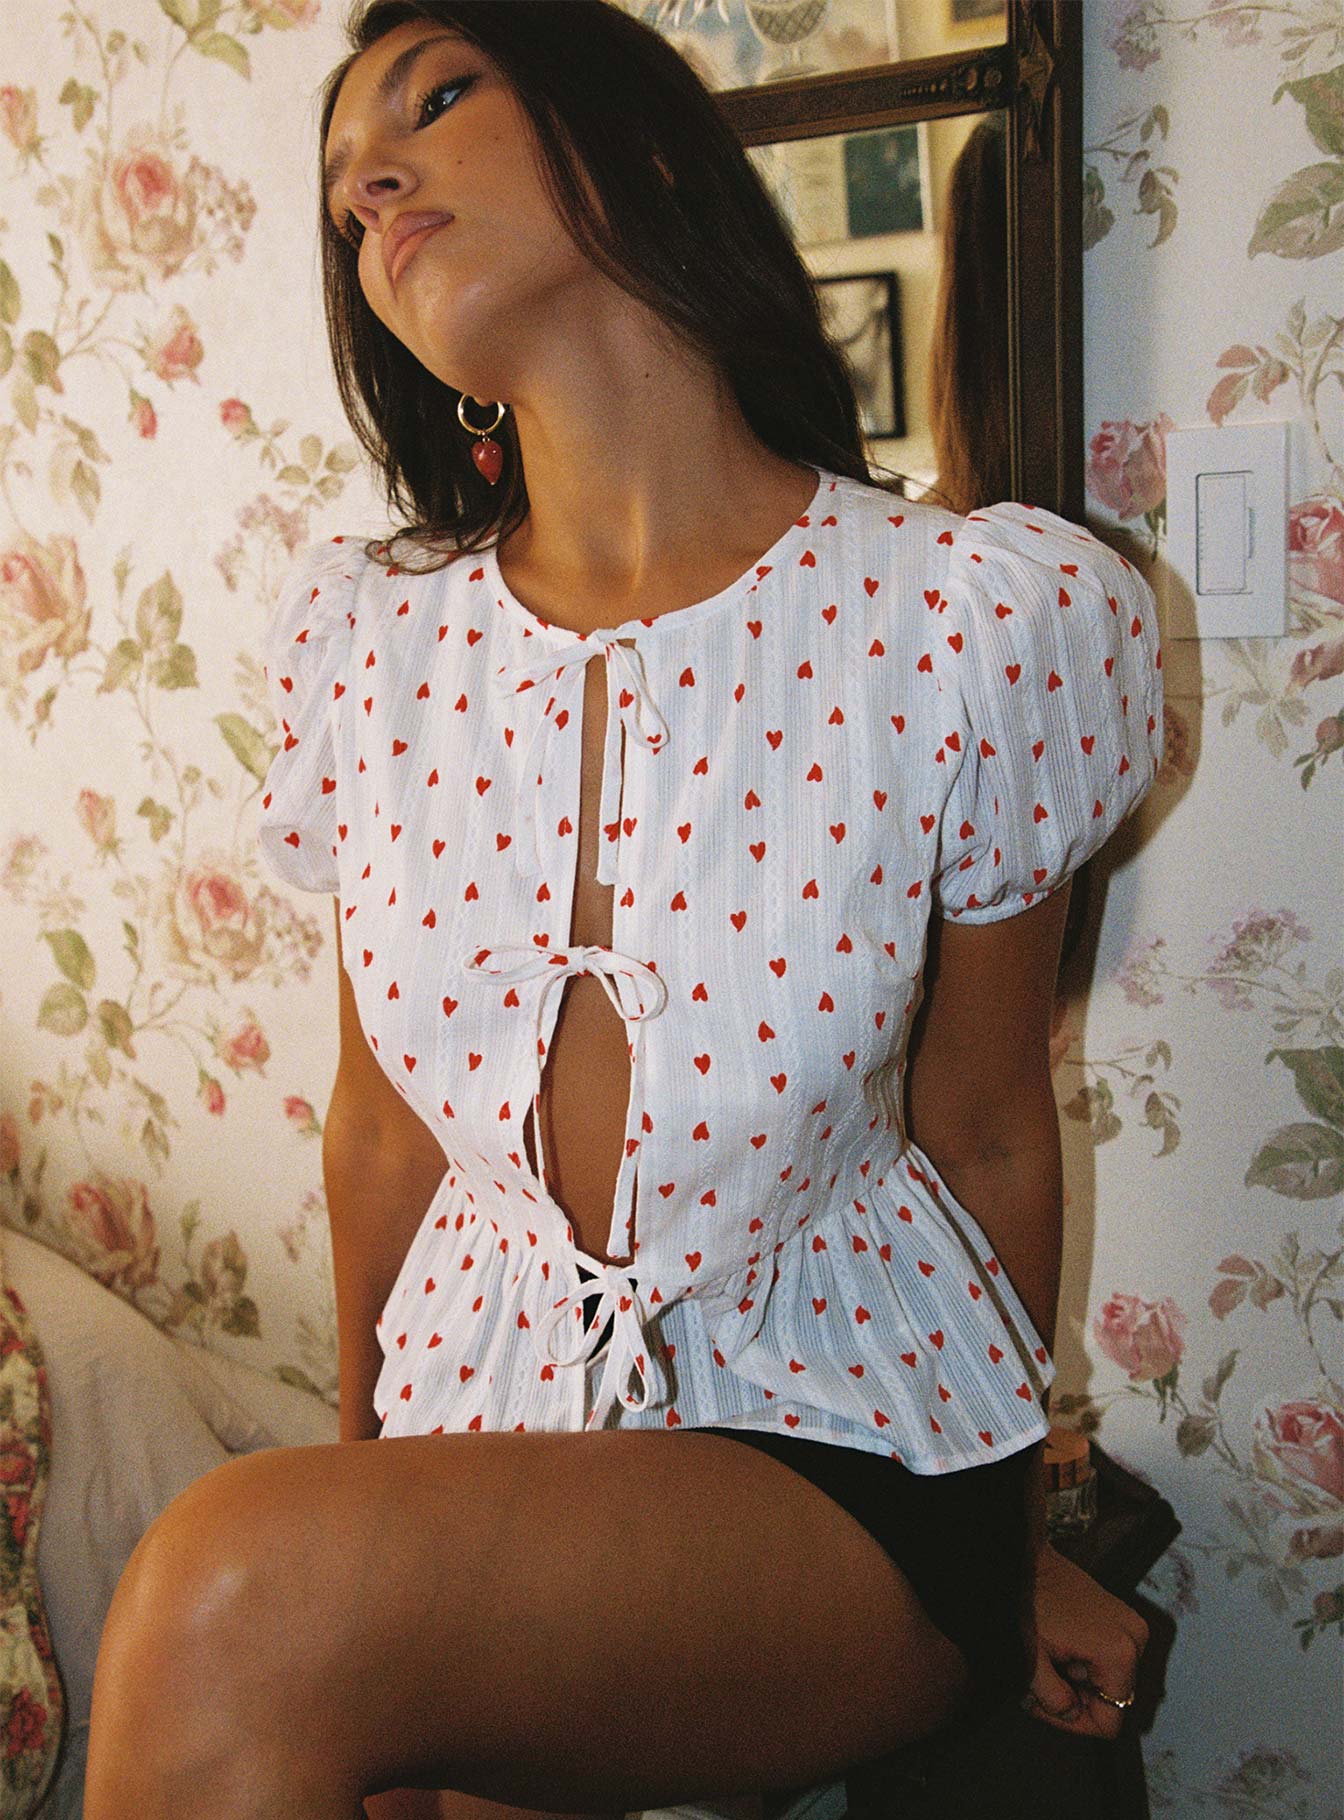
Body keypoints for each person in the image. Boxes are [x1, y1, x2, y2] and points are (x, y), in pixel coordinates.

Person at [85, 5, 1158, 1818]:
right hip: (488, 1410)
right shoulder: (374, 645)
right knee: (311, 1645)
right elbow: (380, 1135)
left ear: (645, 148)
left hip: (850, 1453)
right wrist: (377, 1497)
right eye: (347, 200)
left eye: (437, 103)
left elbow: (983, 1124)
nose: (377, 187)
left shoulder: (965, 620)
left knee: (228, 1594)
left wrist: (1017, 1523)